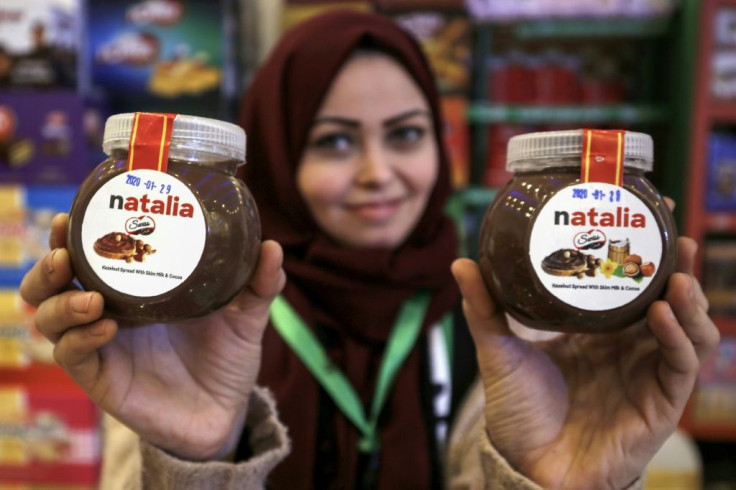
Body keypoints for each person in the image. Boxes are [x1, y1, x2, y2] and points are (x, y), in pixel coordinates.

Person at [19, 10, 719, 490]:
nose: (378, 172)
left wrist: (550, 479)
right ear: (277, 153)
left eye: (407, 133)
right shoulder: (188, 321)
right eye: (334, 140)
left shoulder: (515, 324)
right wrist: (197, 459)